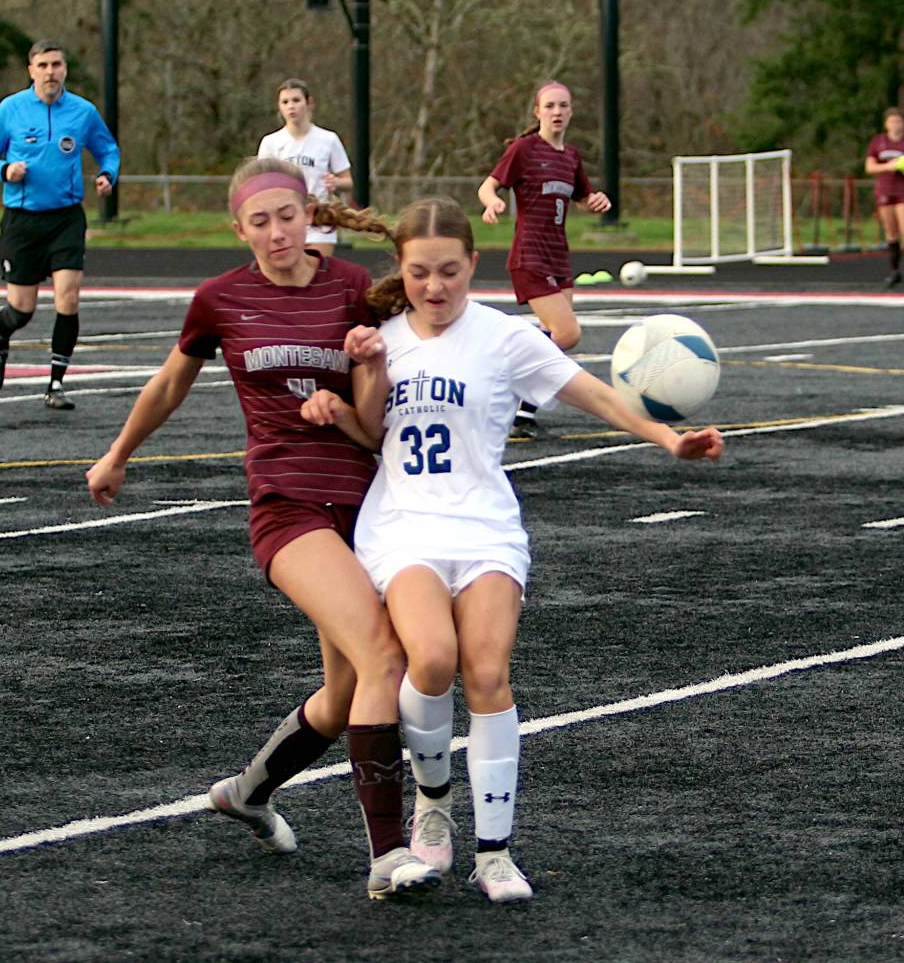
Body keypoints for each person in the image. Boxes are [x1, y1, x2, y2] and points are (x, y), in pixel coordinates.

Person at [309, 197, 724, 903]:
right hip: (404, 525)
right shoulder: (379, 337)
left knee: (488, 674)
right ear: (401, 273)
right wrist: (342, 404)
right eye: (419, 273)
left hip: (485, 529)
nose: (435, 287)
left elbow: (594, 393)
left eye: (449, 271)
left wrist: (668, 439)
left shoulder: (505, 339)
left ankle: (494, 852)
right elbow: (374, 433)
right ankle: (433, 805)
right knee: (431, 657)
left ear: (474, 265)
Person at [85, 158, 440, 901]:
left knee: (346, 700)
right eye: (260, 221)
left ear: (309, 211)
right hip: (288, 506)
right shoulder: (219, 299)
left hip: (372, 510)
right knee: (384, 653)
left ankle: (245, 791)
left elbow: (391, 389)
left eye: (287, 215)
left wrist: (365, 376)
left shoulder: (352, 288)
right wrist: (118, 453)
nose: (277, 232)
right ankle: (387, 854)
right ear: (237, 227)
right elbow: (170, 381)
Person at [0, 40, 120, 410]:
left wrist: (107, 173)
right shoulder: (11, 109)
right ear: (31, 70)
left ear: (65, 70)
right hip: (22, 221)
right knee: (21, 310)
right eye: (43, 65)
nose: (50, 72)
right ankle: (0, 340)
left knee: (68, 298)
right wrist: (4, 170)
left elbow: (108, 148)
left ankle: (56, 384)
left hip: (66, 217)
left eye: (56, 64)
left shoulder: (83, 112)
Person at [477, 81, 611, 439]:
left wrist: (596, 200)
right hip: (530, 255)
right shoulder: (524, 149)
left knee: (551, 336)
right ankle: (505, 381)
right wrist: (492, 202)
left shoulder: (571, 155)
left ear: (571, 112)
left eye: (563, 106)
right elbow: (488, 185)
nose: (556, 112)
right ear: (537, 112)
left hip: (558, 257)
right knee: (568, 333)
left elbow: (583, 196)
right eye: (549, 106)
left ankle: (522, 413)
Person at [257, 78, 353, 258]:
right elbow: (261, 185)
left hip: (319, 219)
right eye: (285, 102)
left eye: (296, 100)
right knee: (289, 276)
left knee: (318, 275)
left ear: (309, 103)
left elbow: (348, 181)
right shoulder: (271, 142)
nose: (290, 107)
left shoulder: (328, 140)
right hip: (285, 218)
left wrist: (336, 182)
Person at [864, 107, 904, 288]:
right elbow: (870, 167)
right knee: (891, 234)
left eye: (898, 121)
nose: (895, 125)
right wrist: (889, 166)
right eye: (892, 121)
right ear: (886, 124)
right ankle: (895, 271)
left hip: (902, 191)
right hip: (885, 191)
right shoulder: (878, 142)